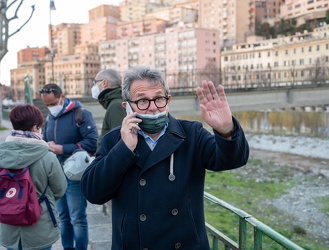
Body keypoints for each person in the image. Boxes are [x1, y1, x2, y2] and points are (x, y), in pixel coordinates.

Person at [81, 66, 250, 249]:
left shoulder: (191, 133)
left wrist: (226, 131)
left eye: (159, 99)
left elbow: (233, 159)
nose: (153, 107)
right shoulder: (114, 140)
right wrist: (124, 149)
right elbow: (93, 192)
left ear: (168, 100)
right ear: (127, 106)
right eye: (143, 101)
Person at [0, 104, 67, 250]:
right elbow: (60, 190)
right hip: (39, 225)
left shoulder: (1, 153)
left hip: (8, 225)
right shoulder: (47, 156)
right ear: (36, 127)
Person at [40, 84, 98, 250]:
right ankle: (67, 247)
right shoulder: (50, 118)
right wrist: (47, 144)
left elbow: (92, 142)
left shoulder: (81, 114)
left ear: (62, 97)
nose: (51, 108)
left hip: (75, 174)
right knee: (62, 217)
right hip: (56, 174)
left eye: (53, 103)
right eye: (47, 105)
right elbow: (45, 138)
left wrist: (63, 148)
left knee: (77, 217)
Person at [92, 68, 126, 144]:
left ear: (104, 83)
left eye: (95, 82)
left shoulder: (116, 105)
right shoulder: (115, 102)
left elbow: (119, 140)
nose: (94, 86)